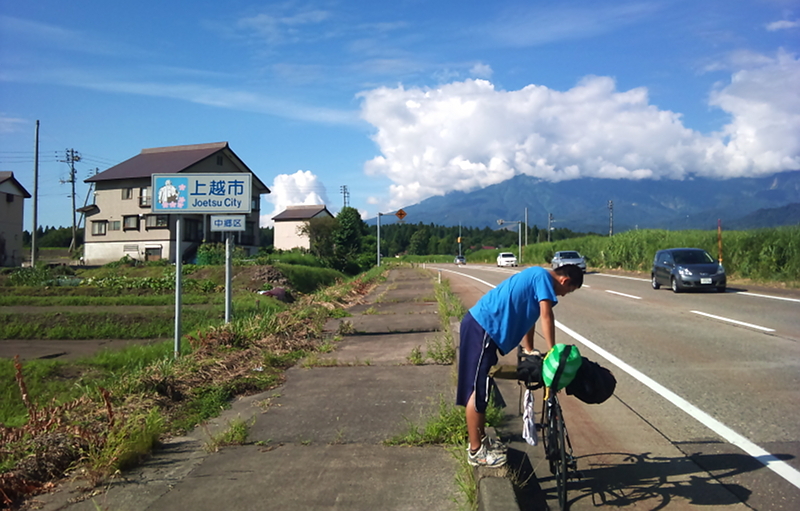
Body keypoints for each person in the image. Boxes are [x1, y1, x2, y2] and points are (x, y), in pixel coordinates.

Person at [457, 264, 583, 467]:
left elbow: (528, 318)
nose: (564, 295)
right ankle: (475, 451)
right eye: (568, 291)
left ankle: (481, 442)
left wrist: (530, 348)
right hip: (483, 328)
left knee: (482, 389)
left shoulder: (537, 276)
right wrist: (553, 352)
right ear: (565, 281)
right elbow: (546, 315)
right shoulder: (543, 278)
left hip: (483, 328)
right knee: (477, 391)